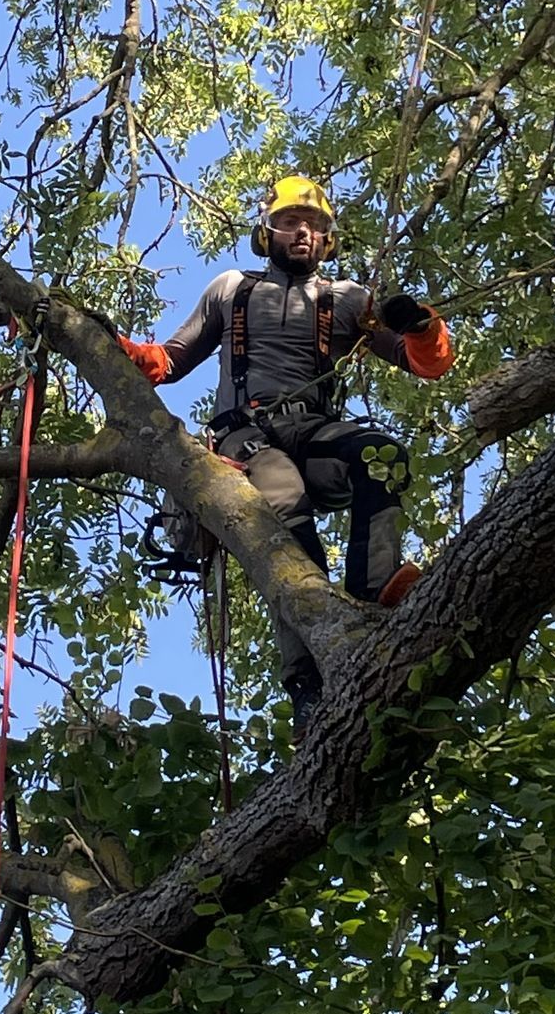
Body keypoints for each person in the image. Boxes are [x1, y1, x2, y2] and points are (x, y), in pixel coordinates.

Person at [119, 174, 454, 722]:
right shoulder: (232, 289)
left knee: (381, 454)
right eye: (291, 223)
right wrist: (119, 348)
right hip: (247, 434)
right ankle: (308, 678)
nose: (303, 232)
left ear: (329, 239)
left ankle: (373, 601)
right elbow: (169, 361)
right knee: (283, 493)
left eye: (315, 225)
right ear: (266, 231)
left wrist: (419, 327)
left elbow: (428, 364)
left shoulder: (347, 301)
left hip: (315, 431)